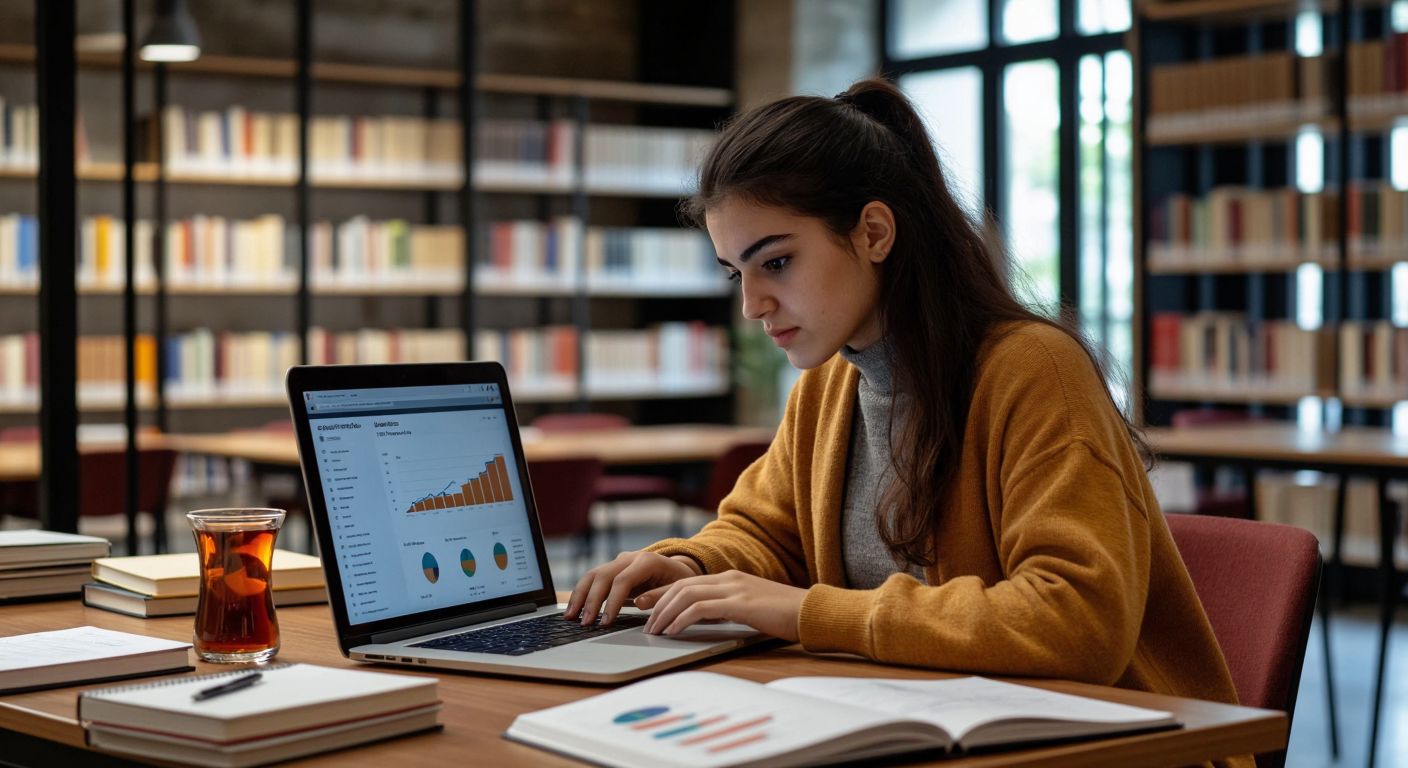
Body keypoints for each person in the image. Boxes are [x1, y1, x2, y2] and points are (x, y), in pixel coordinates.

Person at [565, 77, 1243, 725]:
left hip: (1108, 742)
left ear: (874, 233)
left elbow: (1076, 621)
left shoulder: (1034, 370)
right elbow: (766, 533)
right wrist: (691, 564)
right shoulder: (830, 388)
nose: (752, 304)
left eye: (775, 262)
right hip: (919, 721)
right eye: (736, 271)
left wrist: (809, 614)